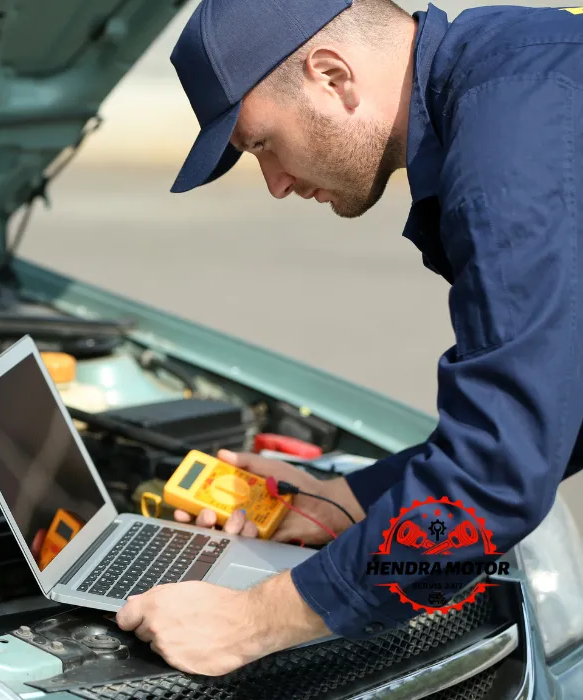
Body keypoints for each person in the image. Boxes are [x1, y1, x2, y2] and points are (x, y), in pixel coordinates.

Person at [114, 0, 583, 677]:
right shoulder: (513, 63)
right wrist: (347, 500)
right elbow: (558, 408)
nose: (274, 185)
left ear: (332, 76)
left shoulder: (509, 157)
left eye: (262, 145)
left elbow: (494, 481)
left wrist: (253, 621)